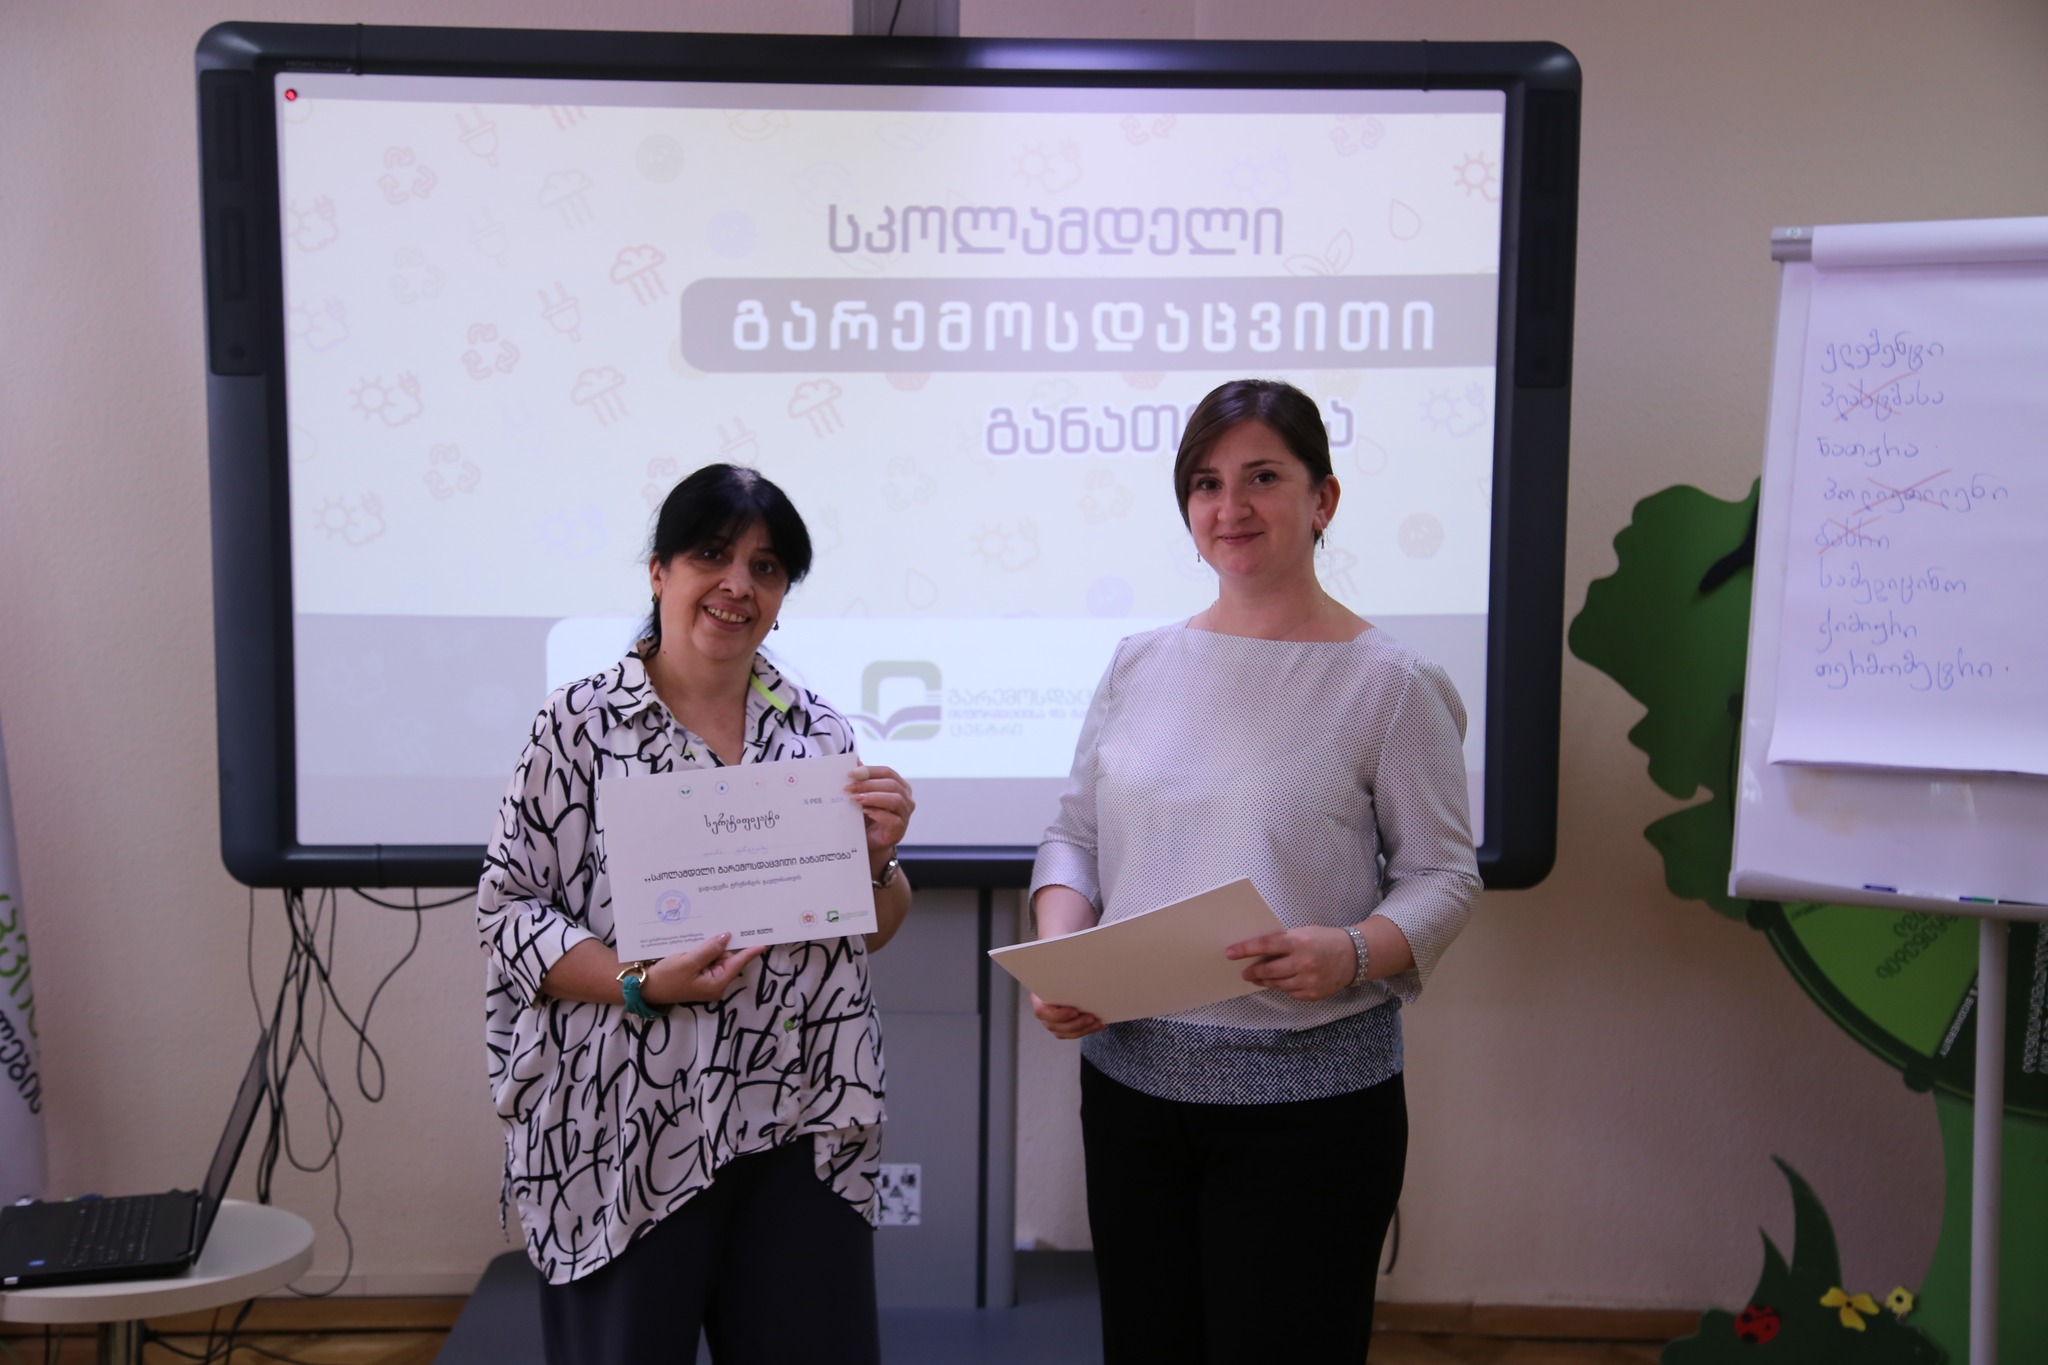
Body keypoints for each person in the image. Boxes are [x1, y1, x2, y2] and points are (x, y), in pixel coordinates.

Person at [1029, 379, 1481, 1364]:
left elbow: (1445, 876)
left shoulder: (1390, 683)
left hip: (1311, 1116)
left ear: (1323, 499)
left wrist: (1351, 952)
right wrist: (1062, 950)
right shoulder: (1137, 664)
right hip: (1131, 1096)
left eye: (1261, 477)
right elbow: (1073, 837)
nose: (1228, 507)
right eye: (1205, 483)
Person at [476, 463, 915, 1365]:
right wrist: (640, 981)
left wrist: (875, 861)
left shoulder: (818, 734)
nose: (737, 584)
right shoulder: (576, 727)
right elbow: (510, 912)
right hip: (622, 1129)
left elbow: (864, 928)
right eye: (712, 555)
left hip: (798, 1119)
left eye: (766, 566)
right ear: (659, 572)